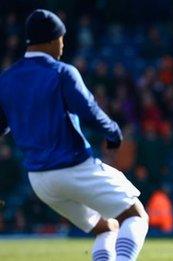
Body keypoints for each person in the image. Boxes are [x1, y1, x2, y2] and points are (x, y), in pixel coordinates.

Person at [0, 9, 148, 261]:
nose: (63, 44)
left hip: (39, 180)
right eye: (61, 37)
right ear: (50, 40)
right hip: (73, 167)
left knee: (106, 227)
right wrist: (113, 132)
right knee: (134, 215)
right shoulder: (62, 71)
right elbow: (89, 111)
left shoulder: (6, 78)